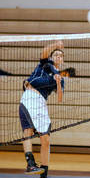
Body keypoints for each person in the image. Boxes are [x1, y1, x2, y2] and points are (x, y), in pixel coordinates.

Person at [19, 41, 65, 178]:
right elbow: (45, 51)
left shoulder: (60, 77)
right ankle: (30, 163)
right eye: (56, 55)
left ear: (62, 60)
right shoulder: (45, 65)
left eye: (60, 56)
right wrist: (56, 44)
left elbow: (60, 98)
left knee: (46, 140)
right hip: (29, 97)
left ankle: (44, 173)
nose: (58, 57)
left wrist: (57, 81)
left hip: (41, 104)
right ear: (52, 58)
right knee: (28, 130)